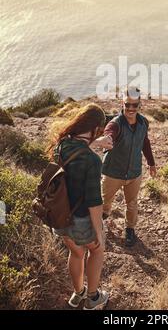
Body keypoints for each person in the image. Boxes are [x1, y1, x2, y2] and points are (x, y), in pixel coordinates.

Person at [48, 103, 113, 310]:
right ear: (94, 130)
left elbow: (75, 161)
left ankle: (77, 294)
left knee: (76, 253)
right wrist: (99, 232)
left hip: (59, 215)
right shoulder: (92, 161)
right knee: (97, 251)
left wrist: (94, 144)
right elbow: (94, 203)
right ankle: (93, 299)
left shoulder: (61, 144)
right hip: (81, 220)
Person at [101, 86, 157, 247]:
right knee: (104, 202)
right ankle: (100, 220)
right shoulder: (115, 124)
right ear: (122, 103)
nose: (130, 109)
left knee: (132, 203)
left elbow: (144, 142)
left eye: (134, 105)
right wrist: (107, 140)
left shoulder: (143, 122)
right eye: (127, 105)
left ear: (140, 104)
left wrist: (151, 163)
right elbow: (109, 133)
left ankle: (130, 230)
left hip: (134, 173)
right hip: (113, 173)